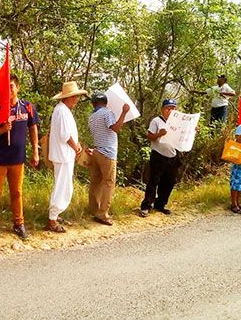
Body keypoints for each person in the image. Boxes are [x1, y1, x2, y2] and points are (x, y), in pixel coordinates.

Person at [0, 75, 40, 241]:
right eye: (6, 87)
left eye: (11, 86)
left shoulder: (27, 107)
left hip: (18, 159)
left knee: (17, 193)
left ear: (17, 88)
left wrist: (35, 151)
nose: (9, 90)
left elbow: (33, 128)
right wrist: (2, 129)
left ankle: (18, 223)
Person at [47, 81, 88, 233]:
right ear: (69, 97)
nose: (77, 100)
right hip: (63, 155)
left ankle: (55, 215)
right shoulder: (62, 111)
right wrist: (76, 146)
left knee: (63, 186)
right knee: (62, 188)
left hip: (63, 155)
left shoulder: (61, 110)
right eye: (75, 97)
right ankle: (52, 219)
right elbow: (65, 135)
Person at [86, 93, 130, 225]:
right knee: (108, 183)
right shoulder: (107, 113)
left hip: (96, 151)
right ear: (106, 102)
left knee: (95, 182)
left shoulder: (92, 117)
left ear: (93, 103)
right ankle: (102, 214)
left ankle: (93, 209)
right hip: (108, 153)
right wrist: (124, 112)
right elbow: (116, 128)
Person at [140, 99, 182, 217]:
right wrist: (159, 134)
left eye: (173, 108)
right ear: (163, 109)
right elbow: (150, 136)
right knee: (153, 181)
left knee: (169, 182)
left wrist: (192, 131)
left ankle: (160, 205)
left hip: (172, 155)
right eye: (168, 108)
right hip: (158, 155)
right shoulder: (156, 121)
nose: (171, 110)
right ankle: (146, 206)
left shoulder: (177, 123)